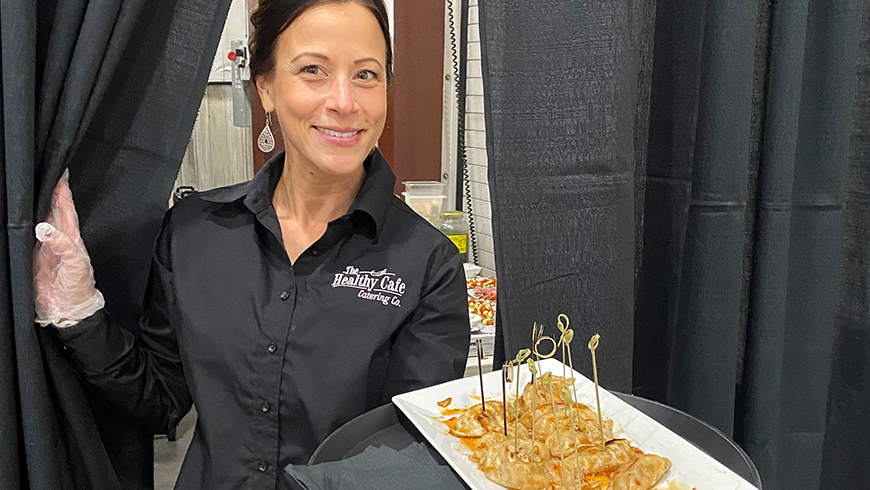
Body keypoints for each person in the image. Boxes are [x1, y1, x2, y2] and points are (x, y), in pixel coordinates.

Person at [31, 1, 471, 488]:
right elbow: (161, 401)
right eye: (312, 70)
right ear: (266, 88)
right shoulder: (195, 232)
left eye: (366, 74)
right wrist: (79, 314)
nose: (344, 101)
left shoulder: (428, 264)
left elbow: (411, 451)